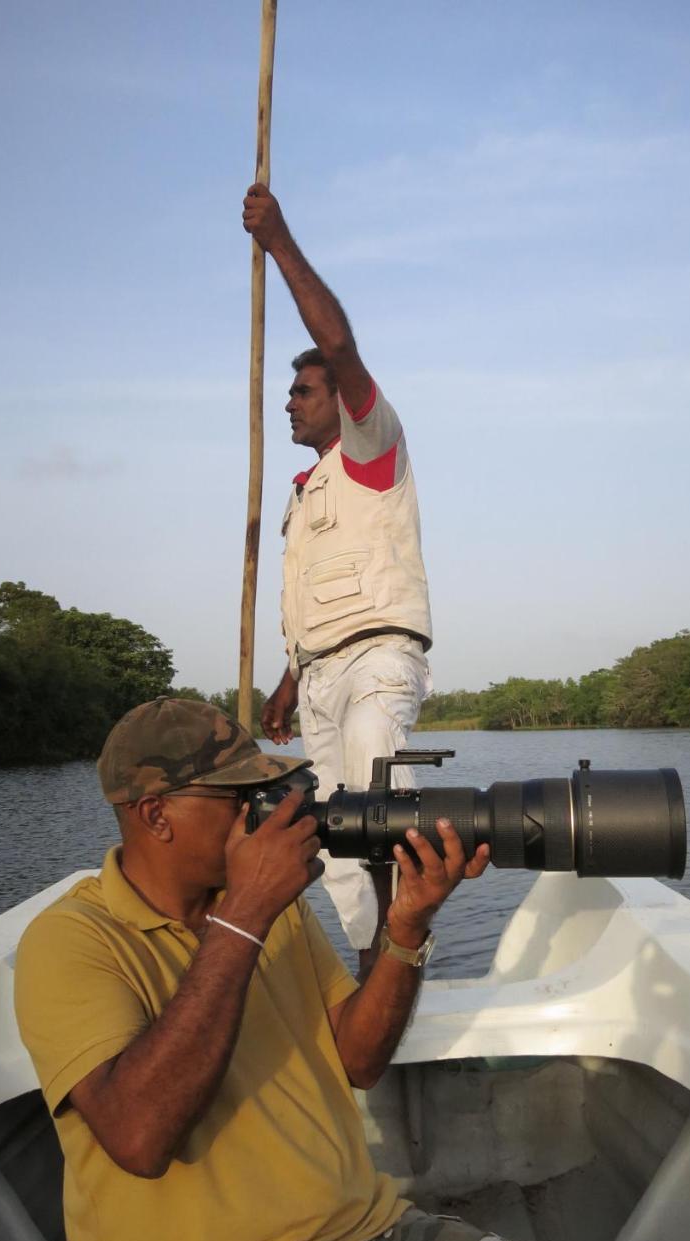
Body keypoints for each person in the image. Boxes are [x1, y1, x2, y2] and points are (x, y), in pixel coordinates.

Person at [14, 696, 587, 1241]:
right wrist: (243, 917)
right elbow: (138, 1137)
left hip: (367, 1236)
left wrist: (406, 928)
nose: (262, 815)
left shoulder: (272, 907)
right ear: (156, 815)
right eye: (238, 800)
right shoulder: (71, 940)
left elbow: (358, 1059)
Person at [242, 183, 434, 970]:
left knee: (374, 812)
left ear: (339, 401)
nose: (289, 402)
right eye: (286, 391)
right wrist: (289, 681)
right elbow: (314, 601)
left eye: (302, 390)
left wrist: (279, 240)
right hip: (319, 677)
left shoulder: (370, 448)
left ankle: (404, 962)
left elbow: (343, 349)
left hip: (376, 661)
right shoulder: (303, 493)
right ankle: (373, 969)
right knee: (339, 851)